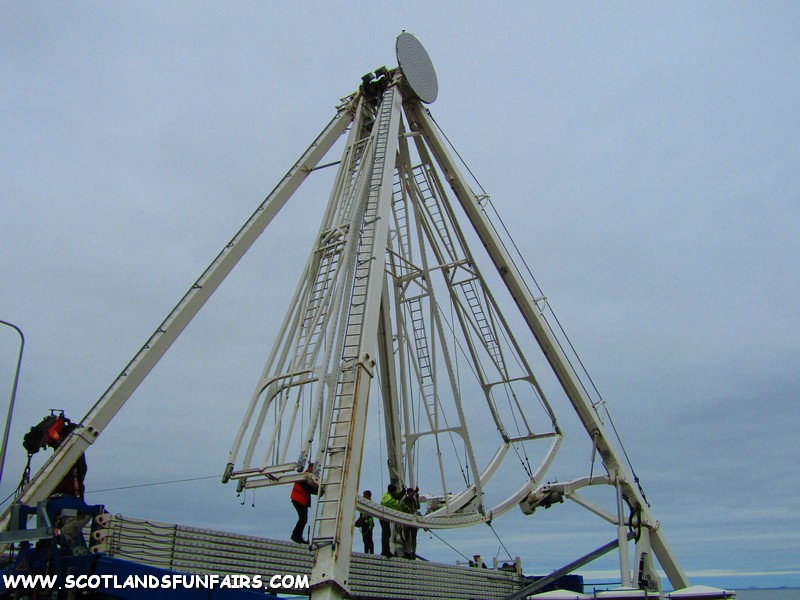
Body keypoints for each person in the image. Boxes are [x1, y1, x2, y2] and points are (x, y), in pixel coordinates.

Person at [290, 463, 317, 544]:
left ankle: (297, 536)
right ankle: (296, 536)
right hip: (298, 500)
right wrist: (320, 491)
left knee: (303, 519)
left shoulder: (306, 477)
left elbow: (309, 488)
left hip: (300, 500)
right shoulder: (304, 477)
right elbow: (308, 488)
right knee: (303, 519)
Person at [379, 483, 402, 557]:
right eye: (395, 491)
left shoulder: (388, 496)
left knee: (386, 533)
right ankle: (385, 551)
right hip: (383, 517)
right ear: (392, 491)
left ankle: (386, 550)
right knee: (386, 533)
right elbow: (394, 505)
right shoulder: (388, 497)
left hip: (384, 517)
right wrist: (399, 499)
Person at [400, 486, 420, 559]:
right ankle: (408, 551)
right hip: (406, 520)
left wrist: (417, 499)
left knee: (413, 537)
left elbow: (418, 507)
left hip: (413, 520)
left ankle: (413, 551)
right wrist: (414, 492)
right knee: (407, 536)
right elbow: (408, 498)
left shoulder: (414, 500)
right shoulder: (405, 499)